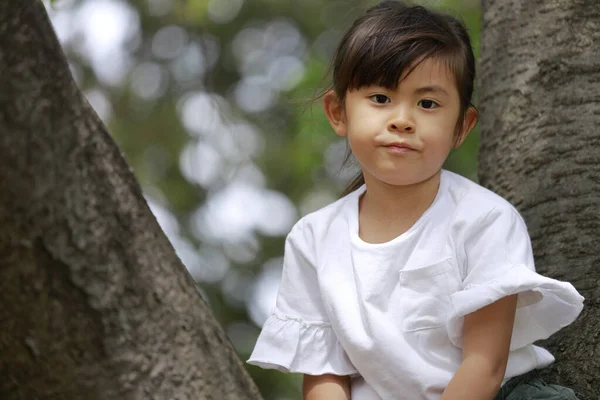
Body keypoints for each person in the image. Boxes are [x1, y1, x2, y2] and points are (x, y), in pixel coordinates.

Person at [247, 1, 584, 399]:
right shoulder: (312, 240)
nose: (402, 119)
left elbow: (485, 364)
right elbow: (324, 376)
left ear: (461, 126)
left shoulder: (486, 220)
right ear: (338, 112)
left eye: (427, 104)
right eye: (380, 98)